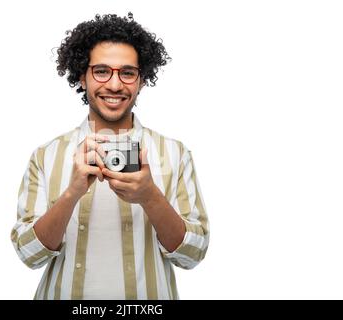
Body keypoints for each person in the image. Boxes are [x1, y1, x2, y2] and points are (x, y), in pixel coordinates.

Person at [11, 12, 209, 300]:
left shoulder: (174, 154)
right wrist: (71, 193)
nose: (115, 85)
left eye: (127, 72)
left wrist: (150, 196)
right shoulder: (46, 156)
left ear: (141, 80)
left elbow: (193, 254)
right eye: (101, 71)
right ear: (82, 75)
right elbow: (29, 255)